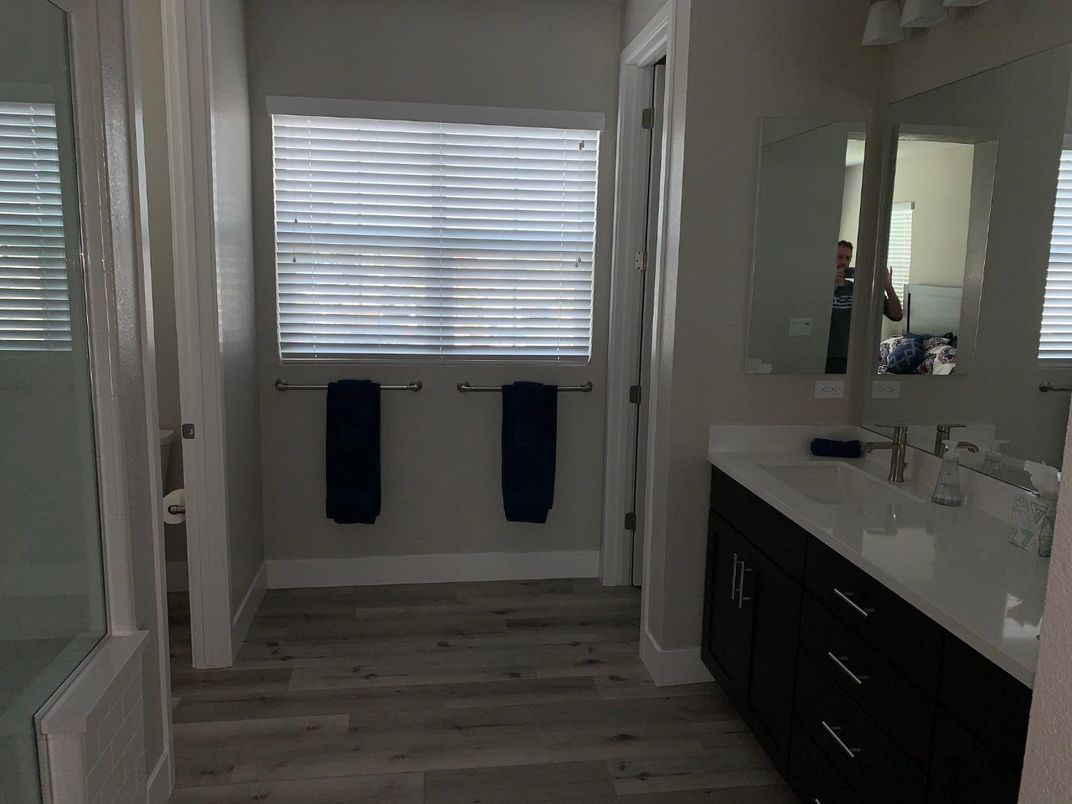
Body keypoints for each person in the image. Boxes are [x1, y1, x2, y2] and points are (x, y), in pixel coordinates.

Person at [825, 240, 903, 373]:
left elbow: (896, 316)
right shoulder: (818, 289)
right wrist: (832, 285)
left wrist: (888, 288)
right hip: (825, 356)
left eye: (848, 258)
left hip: (856, 357)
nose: (843, 261)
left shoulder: (860, 290)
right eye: (839, 257)